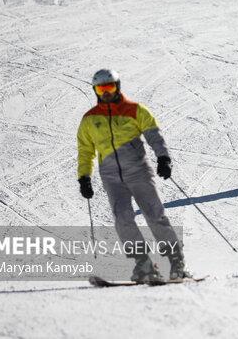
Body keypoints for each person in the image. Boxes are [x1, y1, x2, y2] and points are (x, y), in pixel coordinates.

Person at [77, 69, 190, 283]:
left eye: (109, 87)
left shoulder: (135, 110)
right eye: (101, 89)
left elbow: (153, 134)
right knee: (123, 219)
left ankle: (176, 261)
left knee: (154, 213)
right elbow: (85, 150)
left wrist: (163, 157)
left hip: (138, 169)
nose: (106, 93)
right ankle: (144, 265)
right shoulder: (90, 119)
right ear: (95, 91)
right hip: (111, 176)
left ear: (117, 86)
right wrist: (84, 177)